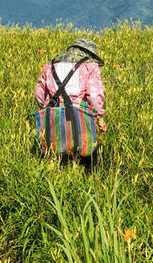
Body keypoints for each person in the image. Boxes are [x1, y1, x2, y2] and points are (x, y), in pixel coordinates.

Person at [34, 38, 106, 173]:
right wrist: (99, 116)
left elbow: (39, 93)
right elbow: (95, 96)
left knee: (55, 155)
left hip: (53, 115)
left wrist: (46, 108)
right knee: (87, 153)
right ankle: (88, 182)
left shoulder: (50, 65)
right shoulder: (90, 66)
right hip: (80, 116)